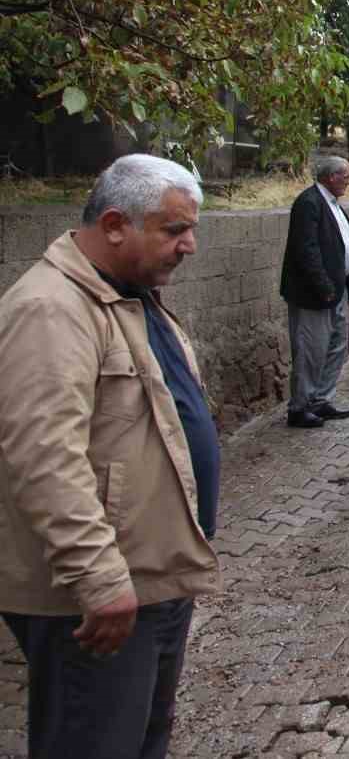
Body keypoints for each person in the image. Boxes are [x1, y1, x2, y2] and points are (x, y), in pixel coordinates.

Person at [0, 154, 221, 759]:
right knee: (94, 741)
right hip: (102, 595)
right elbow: (44, 457)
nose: (190, 246)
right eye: (175, 231)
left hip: (155, 574)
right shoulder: (51, 309)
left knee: (144, 735)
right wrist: (98, 577)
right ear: (117, 224)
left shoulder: (131, 293)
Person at [279, 154, 349, 428]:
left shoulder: (332, 203)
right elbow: (306, 249)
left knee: (337, 345)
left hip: (336, 289)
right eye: (346, 175)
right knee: (310, 350)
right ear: (331, 177)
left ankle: (320, 400)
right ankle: (300, 406)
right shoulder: (309, 203)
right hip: (315, 293)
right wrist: (324, 286)